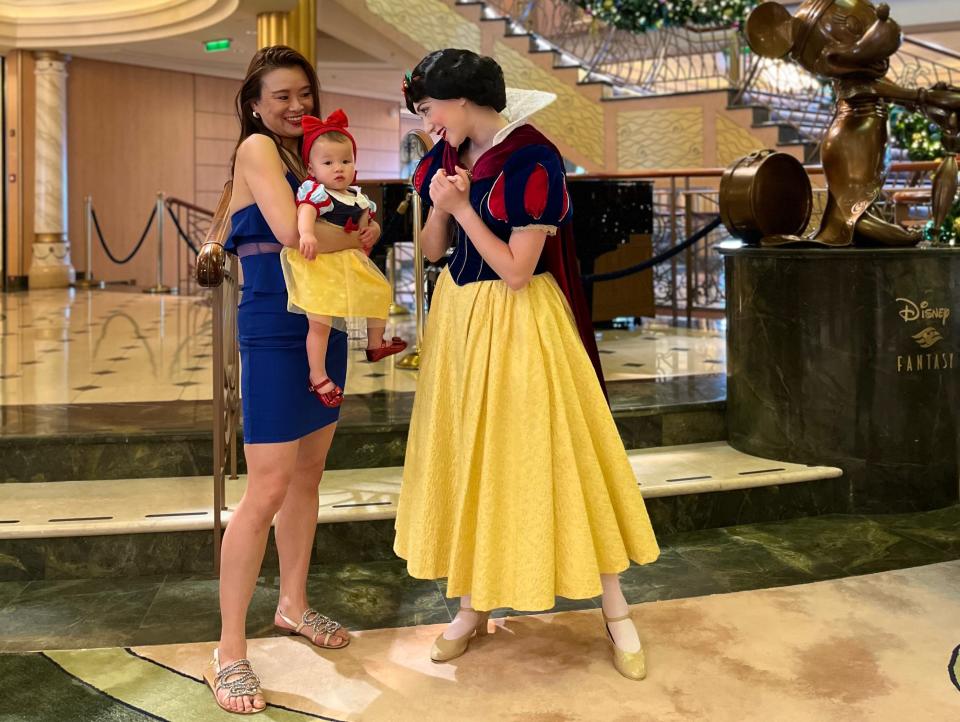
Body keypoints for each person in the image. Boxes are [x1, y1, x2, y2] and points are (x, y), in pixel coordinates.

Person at [394, 49, 660, 681]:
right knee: (470, 459)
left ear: (459, 100)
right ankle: (470, 606)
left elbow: (517, 271)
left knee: (555, 455)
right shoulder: (444, 158)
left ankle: (616, 609)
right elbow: (433, 251)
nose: (427, 120)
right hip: (460, 324)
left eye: (429, 106)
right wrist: (440, 203)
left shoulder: (533, 157)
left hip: (520, 326)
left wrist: (461, 210)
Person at [202, 46, 360, 715]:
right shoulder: (260, 150)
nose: (297, 107)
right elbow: (296, 235)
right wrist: (358, 234)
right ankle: (228, 651)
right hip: (272, 327)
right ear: (255, 103)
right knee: (265, 487)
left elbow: (334, 226)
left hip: (327, 323)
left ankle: (292, 604)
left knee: (308, 475)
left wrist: (345, 231)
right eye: (282, 97)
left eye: (305, 94)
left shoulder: (311, 156)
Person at [280, 109, 406, 407]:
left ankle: (375, 343)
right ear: (311, 168)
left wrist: (371, 229)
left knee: (380, 292)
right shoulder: (317, 192)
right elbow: (305, 212)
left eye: (345, 161)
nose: (338, 169)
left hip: (348, 261)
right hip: (319, 263)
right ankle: (318, 374)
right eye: (328, 162)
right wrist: (307, 234)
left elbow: (366, 220)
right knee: (320, 322)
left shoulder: (356, 195)